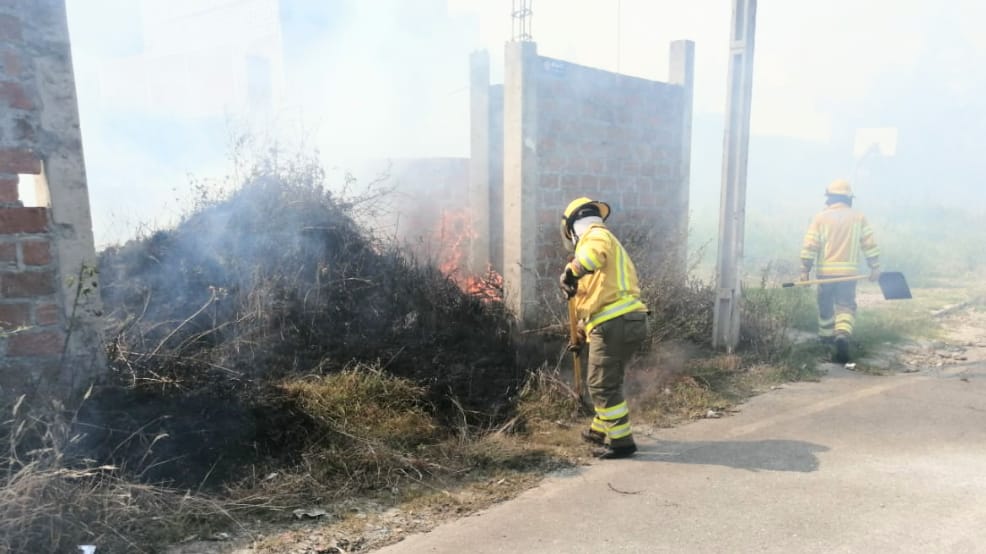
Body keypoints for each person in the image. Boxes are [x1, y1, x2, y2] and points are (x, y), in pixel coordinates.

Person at [558, 197, 649, 459]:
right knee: (609, 380)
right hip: (625, 321)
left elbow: (590, 257)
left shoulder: (596, 237)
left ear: (573, 227)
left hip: (615, 323)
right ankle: (599, 430)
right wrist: (580, 333)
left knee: (599, 385)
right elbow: (593, 303)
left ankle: (622, 442)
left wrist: (571, 271)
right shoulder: (605, 254)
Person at [799, 179, 881, 363]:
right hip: (848, 274)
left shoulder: (820, 218)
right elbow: (869, 244)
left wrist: (805, 269)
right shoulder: (859, 218)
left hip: (825, 275)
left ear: (829, 198)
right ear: (848, 198)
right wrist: (874, 267)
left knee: (825, 305)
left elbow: (810, 245)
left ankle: (826, 340)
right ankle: (842, 334)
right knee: (845, 305)